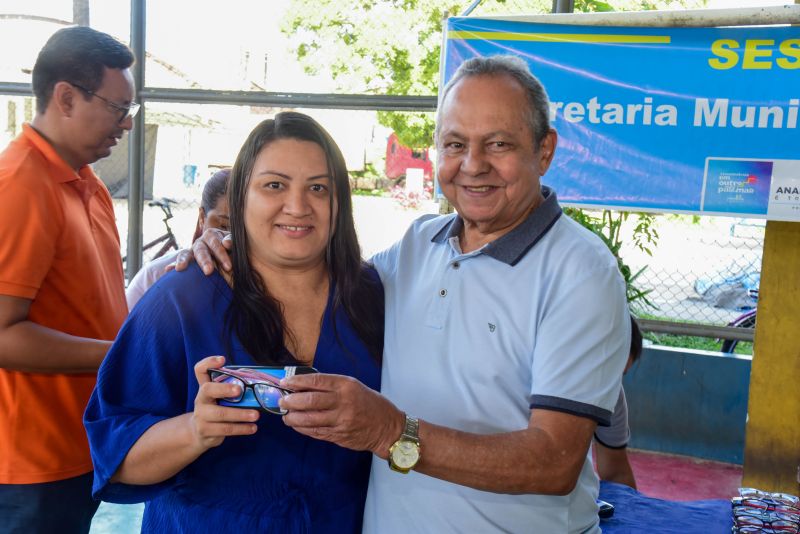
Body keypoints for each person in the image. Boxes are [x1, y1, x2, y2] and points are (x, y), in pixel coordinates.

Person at [188, 55, 630, 533]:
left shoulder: (581, 271)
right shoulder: (421, 242)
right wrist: (235, 242)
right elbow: (317, 274)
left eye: (498, 144)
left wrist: (390, 430)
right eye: (455, 144)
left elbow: (554, 462)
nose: (473, 165)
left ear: (544, 151)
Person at [84, 112, 384, 533]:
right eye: (274, 185)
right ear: (242, 197)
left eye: (318, 188)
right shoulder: (181, 300)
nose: (297, 206)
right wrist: (195, 429)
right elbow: (115, 461)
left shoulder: (374, 298)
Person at [0, 26, 135, 532]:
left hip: (80, 441)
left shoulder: (85, 180)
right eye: (118, 108)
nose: (125, 125)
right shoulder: (20, 186)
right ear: (65, 98)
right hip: (29, 462)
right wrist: (119, 354)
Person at [125, 167, 231, 310]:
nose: (229, 239)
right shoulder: (156, 276)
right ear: (202, 217)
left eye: (245, 231)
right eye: (224, 226)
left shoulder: (262, 282)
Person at [594, 315, 644, 490]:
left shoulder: (612, 393)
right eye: (607, 369)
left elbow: (615, 472)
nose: (610, 382)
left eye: (619, 375)